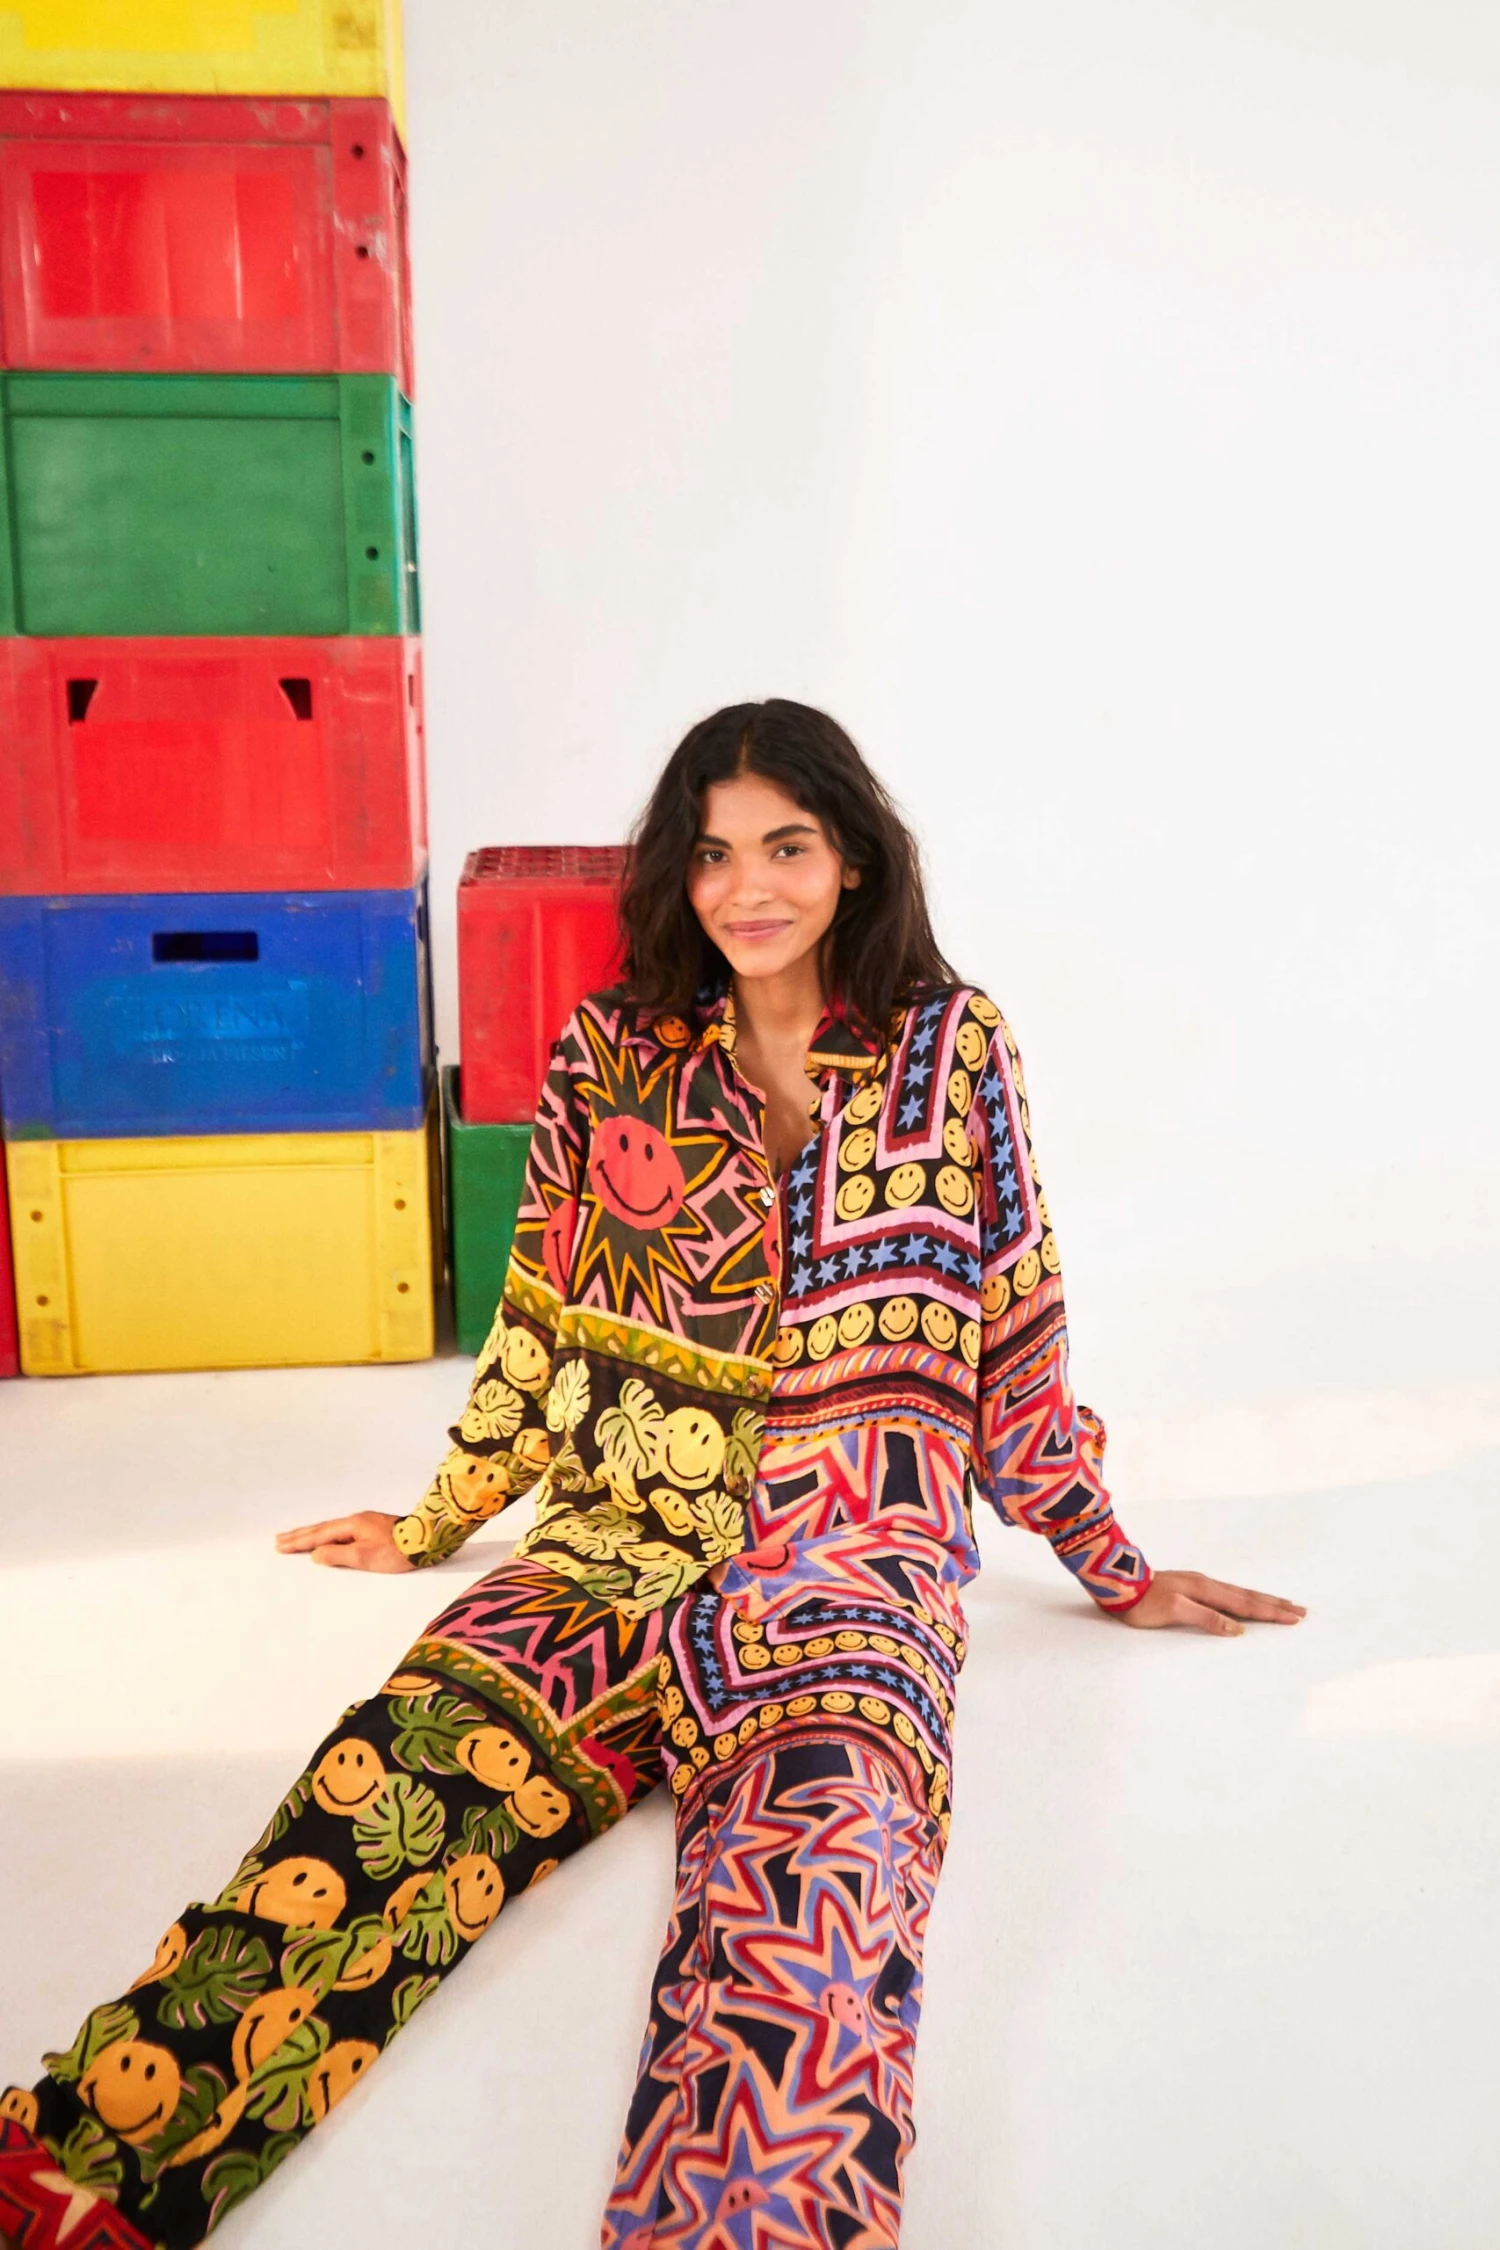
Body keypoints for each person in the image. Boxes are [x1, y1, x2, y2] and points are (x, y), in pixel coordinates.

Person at [0, 701, 1304, 2250]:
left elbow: (1017, 1325)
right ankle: (63, 2199)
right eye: (712, 854)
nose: (749, 888)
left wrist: (1112, 1564)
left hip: (847, 1583)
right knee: (345, 1845)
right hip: (603, 1555)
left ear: (855, 857)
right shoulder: (612, 1049)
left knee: (809, 1960)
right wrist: (435, 1522)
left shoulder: (954, 1048)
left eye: (786, 847)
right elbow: (537, 1316)